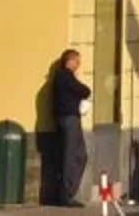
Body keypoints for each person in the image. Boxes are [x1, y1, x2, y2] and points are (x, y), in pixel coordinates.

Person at [39, 49, 91, 207]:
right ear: (70, 61)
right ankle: (66, 195)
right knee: (72, 156)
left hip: (68, 119)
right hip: (69, 119)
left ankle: (66, 192)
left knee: (80, 156)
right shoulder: (65, 76)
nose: (78, 65)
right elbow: (84, 90)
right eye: (77, 62)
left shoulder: (60, 77)